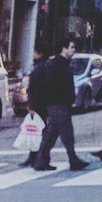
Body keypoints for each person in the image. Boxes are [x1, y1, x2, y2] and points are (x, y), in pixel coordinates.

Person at [32, 39, 89, 172]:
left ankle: (41, 161)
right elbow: (52, 83)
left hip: (57, 103)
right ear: (64, 48)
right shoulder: (58, 64)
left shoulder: (60, 63)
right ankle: (72, 160)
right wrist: (63, 97)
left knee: (52, 133)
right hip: (58, 103)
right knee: (66, 133)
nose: (74, 50)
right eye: (72, 47)